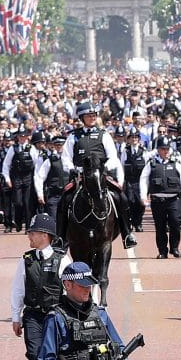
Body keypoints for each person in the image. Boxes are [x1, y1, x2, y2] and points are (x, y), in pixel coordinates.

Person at [12, 213, 73, 360]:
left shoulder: (62, 259)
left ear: (45, 235)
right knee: (35, 356)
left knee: (54, 359)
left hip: (54, 316)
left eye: (33, 232)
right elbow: (18, 289)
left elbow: (68, 290)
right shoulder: (26, 260)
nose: (29, 235)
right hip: (33, 316)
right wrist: (15, 317)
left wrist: (68, 317)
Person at [61, 102, 138, 250]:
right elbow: (65, 158)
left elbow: (113, 157)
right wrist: (74, 169)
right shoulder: (73, 137)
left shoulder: (104, 135)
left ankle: (127, 234)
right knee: (64, 200)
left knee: (120, 197)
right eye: (88, 116)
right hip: (80, 178)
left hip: (100, 177)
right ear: (82, 118)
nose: (91, 118)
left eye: (93, 115)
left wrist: (103, 169)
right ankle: (61, 237)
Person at [140, 137, 181, 259]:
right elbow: (143, 180)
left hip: (174, 199)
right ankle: (162, 251)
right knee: (160, 226)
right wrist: (143, 196)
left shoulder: (176, 163)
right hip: (157, 200)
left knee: (175, 223)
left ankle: (175, 248)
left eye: (167, 149)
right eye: (163, 149)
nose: (166, 151)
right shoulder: (151, 164)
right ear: (158, 150)